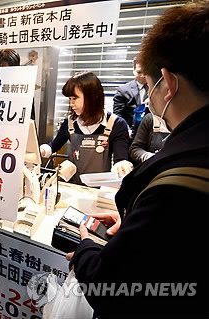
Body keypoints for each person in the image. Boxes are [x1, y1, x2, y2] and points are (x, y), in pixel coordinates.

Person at [67, 2, 208, 317]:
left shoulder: (176, 174)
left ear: (168, 84)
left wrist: (87, 246)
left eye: (149, 86)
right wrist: (133, 221)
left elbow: (111, 284)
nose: (147, 97)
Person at [39, 72, 132, 183]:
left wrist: (121, 166)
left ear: (92, 97)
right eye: (70, 99)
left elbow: (120, 158)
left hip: (100, 188)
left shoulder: (115, 124)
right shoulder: (69, 123)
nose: (71, 104)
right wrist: (41, 150)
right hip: (74, 186)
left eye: (75, 98)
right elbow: (54, 146)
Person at [0, 49, 36, 120]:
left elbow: (30, 120)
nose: (5, 74)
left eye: (9, 71)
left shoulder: (24, 90)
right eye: (1, 70)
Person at [113, 56, 149, 130]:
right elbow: (117, 116)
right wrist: (126, 131)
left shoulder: (159, 89)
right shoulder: (123, 90)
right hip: (131, 134)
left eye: (146, 72)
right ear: (133, 69)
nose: (143, 76)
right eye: (139, 72)